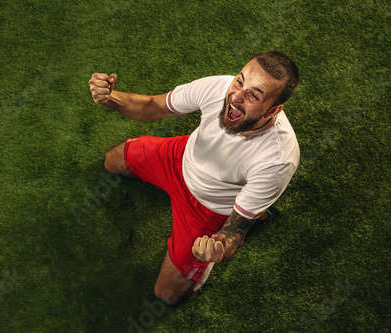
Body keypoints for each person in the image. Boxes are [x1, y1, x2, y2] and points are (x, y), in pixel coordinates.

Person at [88, 51, 300, 305]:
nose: (236, 96)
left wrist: (218, 246)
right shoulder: (217, 87)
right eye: (240, 81)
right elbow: (151, 107)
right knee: (112, 162)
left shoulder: (277, 159)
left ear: (273, 110)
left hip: (208, 209)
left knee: (166, 295)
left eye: (254, 95)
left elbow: (235, 232)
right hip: (177, 158)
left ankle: (203, 266)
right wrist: (109, 97)